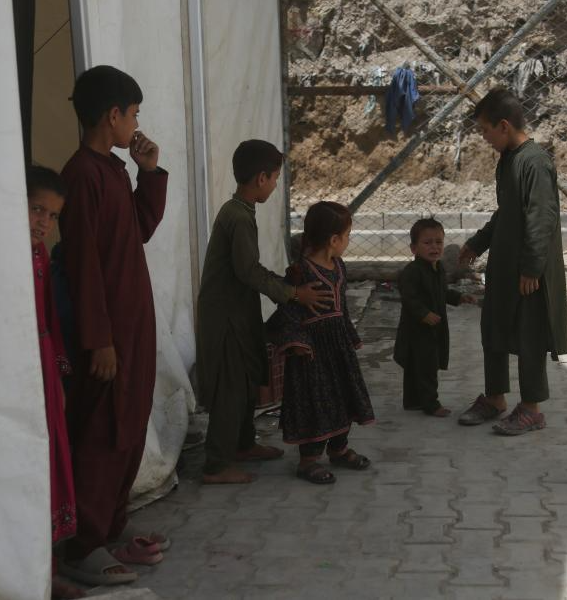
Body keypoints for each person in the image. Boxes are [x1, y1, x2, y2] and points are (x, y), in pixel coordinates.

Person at [58, 66, 170, 587]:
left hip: (132, 322)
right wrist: (98, 339)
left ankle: (109, 526)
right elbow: (83, 265)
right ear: (113, 114)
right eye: (134, 115)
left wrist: (149, 172)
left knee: (129, 422)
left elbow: (138, 228)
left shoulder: (113, 170)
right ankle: (82, 544)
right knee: (103, 431)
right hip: (108, 331)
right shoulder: (82, 175)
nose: (137, 125)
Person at [196, 139, 332, 485]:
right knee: (231, 387)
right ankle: (216, 465)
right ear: (261, 178)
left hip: (238, 314)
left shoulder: (240, 211)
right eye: (274, 179)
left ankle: (242, 444)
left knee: (244, 381)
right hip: (224, 319)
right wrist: (293, 294)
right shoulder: (238, 217)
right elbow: (248, 271)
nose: (274, 185)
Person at [457, 89, 567, 435]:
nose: (484, 137)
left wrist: (532, 267)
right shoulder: (507, 159)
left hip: (528, 272)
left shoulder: (534, 162)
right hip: (504, 267)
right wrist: (478, 242)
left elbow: (541, 217)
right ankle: (494, 399)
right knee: (493, 328)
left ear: (503, 126)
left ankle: (531, 409)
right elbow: (506, 213)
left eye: (485, 130)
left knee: (529, 336)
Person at [267, 201, 375, 484]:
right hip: (311, 354)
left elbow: (342, 307)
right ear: (334, 240)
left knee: (342, 396)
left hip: (338, 348)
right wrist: (297, 343)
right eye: (348, 235)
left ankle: (339, 449)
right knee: (315, 402)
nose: (349, 241)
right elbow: (287, 311)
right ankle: (308, 461)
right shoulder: (300, 273)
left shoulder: (339, 267)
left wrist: (350, 336)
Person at [25, 166, 84, 600]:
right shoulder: (6, 256)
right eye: (36, 209)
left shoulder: (41, 256)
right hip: (16, 368)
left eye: (52, 215)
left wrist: (59, 378)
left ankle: (48, 571)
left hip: (42, 366)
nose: (43, 221)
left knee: (48, 461)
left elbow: (49, 321)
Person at [394, 218, 477, 417]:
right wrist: (424, 314)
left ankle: (414, 401)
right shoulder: (412, 272)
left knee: (421, 365)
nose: (434, 247)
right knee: (426, 367)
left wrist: (458, 297)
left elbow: (442, 292)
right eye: (428, 242)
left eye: (439, 242)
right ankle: (431, 404)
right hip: (418, 330)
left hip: (434, 327)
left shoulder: (438, 269)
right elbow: (409, 298)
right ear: (414, 248)